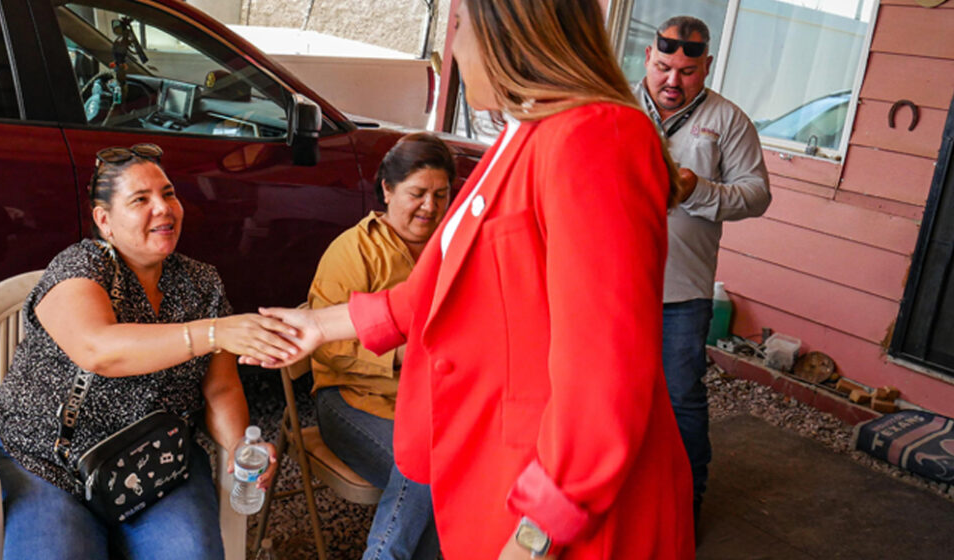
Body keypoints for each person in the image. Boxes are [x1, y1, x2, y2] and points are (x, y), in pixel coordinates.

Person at [247, 0, 694, 557]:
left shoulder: (594, 135)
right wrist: (318, 324)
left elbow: (603, 370)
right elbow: (441, 290)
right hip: (504, 468)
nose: (453, 48)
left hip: (565, 499)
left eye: (461, 29)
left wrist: (538, 530)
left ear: (506, 33)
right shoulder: (526, 133)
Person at [0, 143, 297, 559]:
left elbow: (219, 389)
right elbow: (98, 350)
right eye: (141, 200)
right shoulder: (80, 266)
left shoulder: (201, 284)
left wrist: (240, 444)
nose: (163, 209)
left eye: (168, 194)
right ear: (104, 220)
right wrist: (213, 332)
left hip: (154, 459)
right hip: (44, 460)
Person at [633, 15, 771, 518]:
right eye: (664, 67)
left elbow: (757, 195)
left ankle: (685, 502)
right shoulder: (616, 107)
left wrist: (699, 191)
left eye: (688, 72)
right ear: (648, 57)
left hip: (682, 291)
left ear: (707, 66)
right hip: (610, 284)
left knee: (680, 397)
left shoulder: (729, 121)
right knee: (607, 390)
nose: (673, 81)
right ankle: (619, 495)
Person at [309, 132, 454, 560]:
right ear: (387, 190)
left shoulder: (452, 249)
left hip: (433, 404)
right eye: (417, 193)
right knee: (425, 468)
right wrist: (402, 357)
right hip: (350, 400)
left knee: (467, 476)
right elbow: (326, 349)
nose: (429, 206)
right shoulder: (353, 250)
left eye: (441, 195)